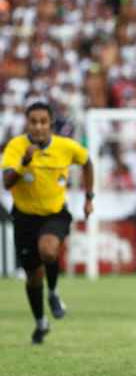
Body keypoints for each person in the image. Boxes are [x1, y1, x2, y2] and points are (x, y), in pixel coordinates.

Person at [1, 101, 94, 344]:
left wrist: (89, 197)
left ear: (50, 124)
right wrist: (24, 162)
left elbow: (87, 162)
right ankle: (41, 323)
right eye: (34, 122)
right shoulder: (16, 146)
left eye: (43, 122)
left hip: (55, 214)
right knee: (33, 276)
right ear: (27, 123)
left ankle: (53, 292)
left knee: (48, 250)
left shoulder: (66, 147)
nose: (38, 127)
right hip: (24, 218)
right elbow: (7, 183)